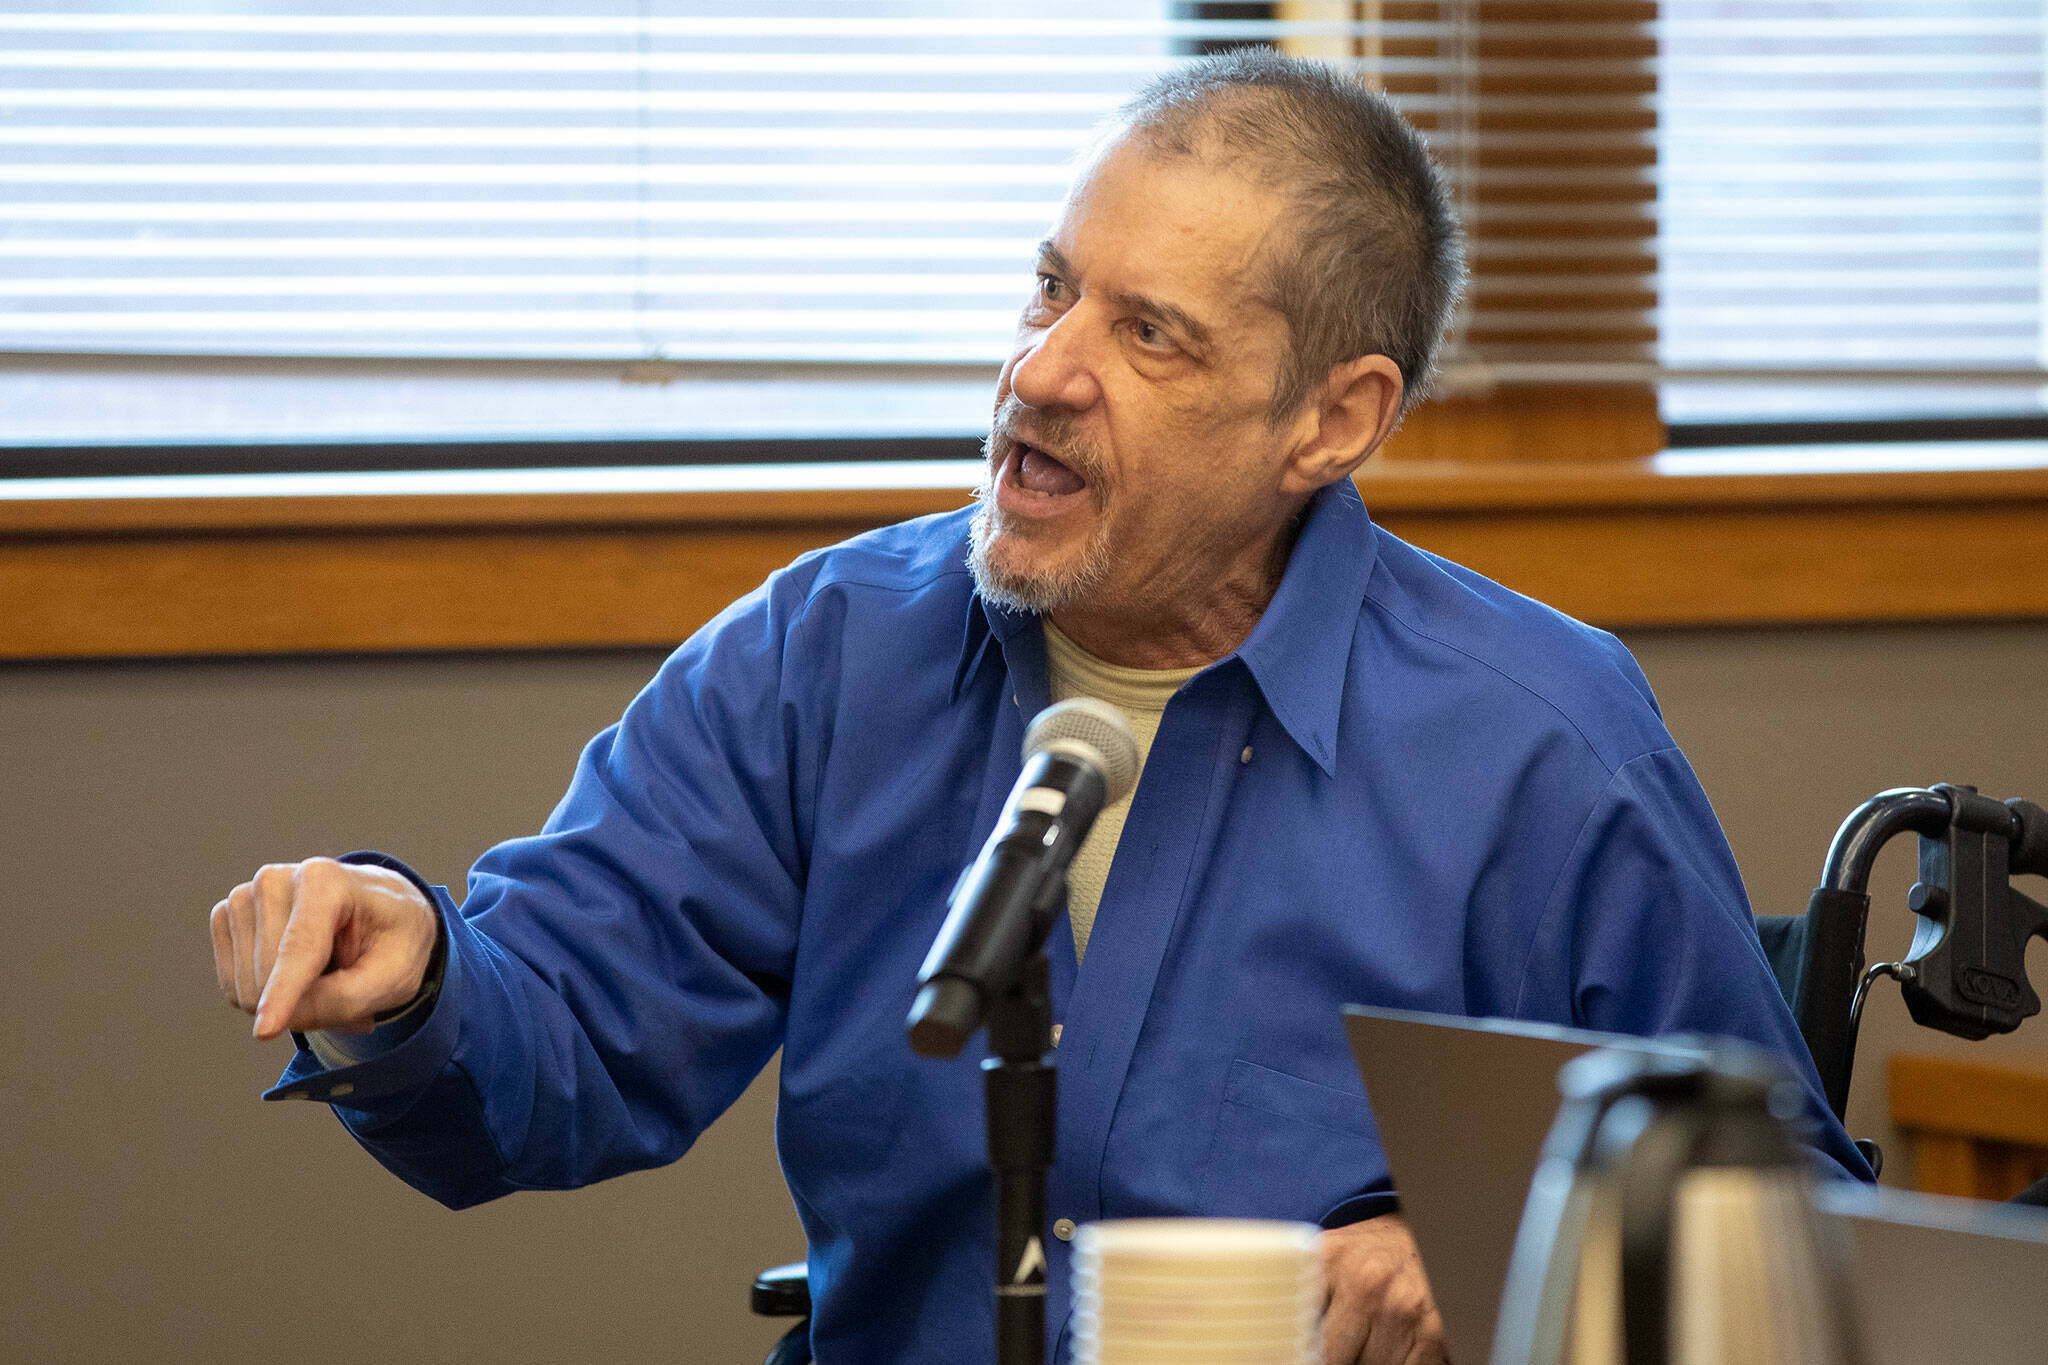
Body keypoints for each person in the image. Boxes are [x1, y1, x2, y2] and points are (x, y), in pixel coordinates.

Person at [207, 51, 1870, 1365]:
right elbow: (564, 1033)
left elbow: (1791, 1234)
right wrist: (416, 967)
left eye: (1148, 334)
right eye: (1050, 289)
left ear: (1331, 420)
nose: (1043, 373)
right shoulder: (829, 652)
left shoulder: (1536, 738)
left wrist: (1512, 1256)